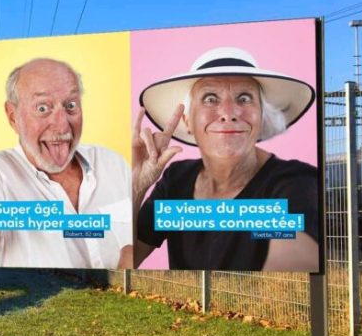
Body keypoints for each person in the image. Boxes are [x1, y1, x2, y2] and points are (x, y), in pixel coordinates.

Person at [133, 46, 319, 271]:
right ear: (187, 121)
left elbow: (292, 270)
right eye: (210, 98)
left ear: (262, 118)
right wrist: (137, 186)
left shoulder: (293, 182)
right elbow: (125, 261)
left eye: (244, 98)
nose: (229, 112)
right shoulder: (176, 179)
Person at [0, 58, 132, 268]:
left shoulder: (112, 163)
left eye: (71, 106)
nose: (62, 125)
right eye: (43, 108)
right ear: (12, 117)